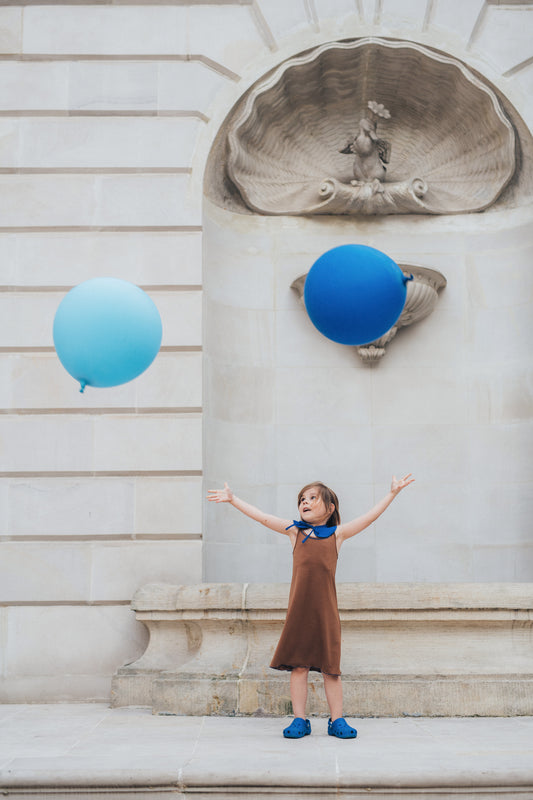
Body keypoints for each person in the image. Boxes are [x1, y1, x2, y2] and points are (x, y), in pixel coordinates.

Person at [207, 474, 414, 739]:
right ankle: (299, 720)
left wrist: (392, 493)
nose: (305, 503)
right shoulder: (295, 532)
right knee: (299, 667)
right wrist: (234, 500)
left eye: (312, 498)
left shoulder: (337, 535)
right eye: (302, 500)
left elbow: (369, 518)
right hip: (299, 613)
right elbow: (262, 516)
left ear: (330, 508)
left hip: (326, 613)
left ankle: (336, 720)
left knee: (331, 669)